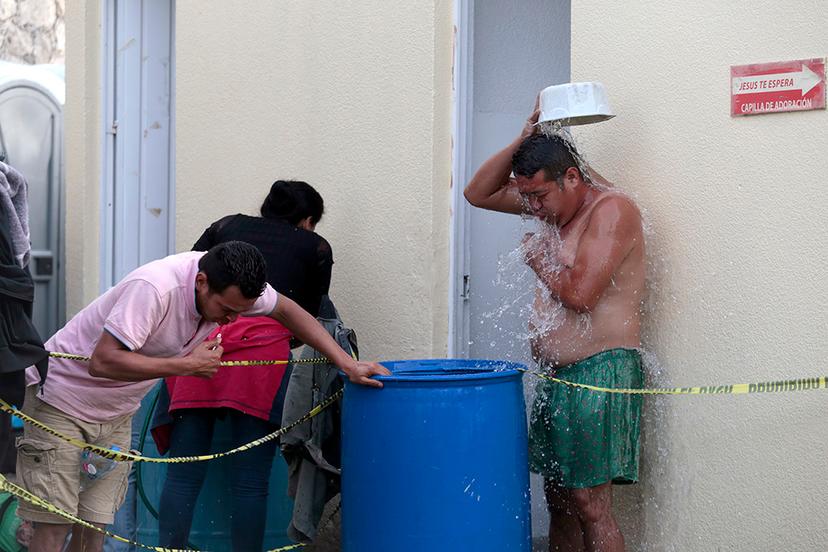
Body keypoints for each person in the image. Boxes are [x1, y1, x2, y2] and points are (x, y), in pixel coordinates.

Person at [15, 241, 388, 552]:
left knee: (94, 526)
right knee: (54, 523)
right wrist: (185, 366)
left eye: (240, 312)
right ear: (201, 282)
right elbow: (103, 361)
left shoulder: (235, 292)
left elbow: (289, 311)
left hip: (115, 411)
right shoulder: (155, 289)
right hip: (60, 401)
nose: (230, 321)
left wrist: (346, 363)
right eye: (225, 310)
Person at [463, 105, 646, 552]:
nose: (531, 207)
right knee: (560, 499)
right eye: (526, 198)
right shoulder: (549, 206)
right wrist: (522, 139)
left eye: (538, 196)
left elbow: (582, 295)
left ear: (571, 177)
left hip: (602, 371)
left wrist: (540, 260)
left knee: (590, 502)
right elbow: (477, 193)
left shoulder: (611, 211)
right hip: (560, 376)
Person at [156, 180, 335, 551]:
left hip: (204, 345)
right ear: (307, 221)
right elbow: (310, 317)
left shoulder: (225, 227)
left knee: (184, 471)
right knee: (250, 481)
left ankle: (169, 549)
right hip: (261, 359)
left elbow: (192, 282)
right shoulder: (314, 246)